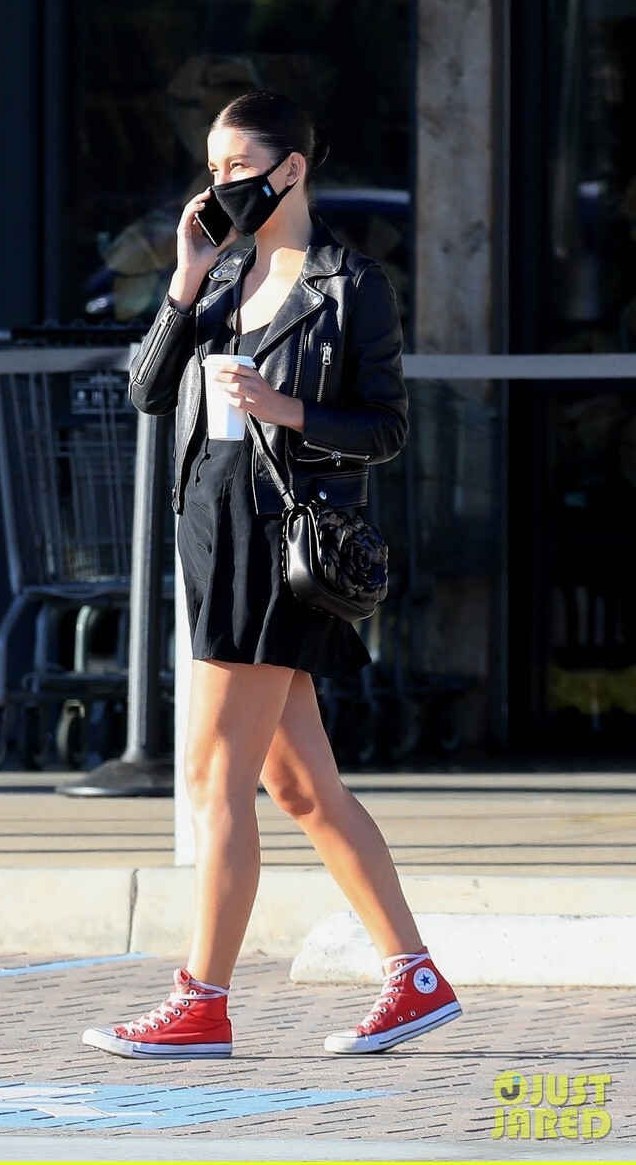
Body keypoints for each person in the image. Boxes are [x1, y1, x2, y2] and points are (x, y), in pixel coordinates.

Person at [83, 90, 461, 1060]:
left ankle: (200, 1001)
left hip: (277, 549)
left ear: (290, 169)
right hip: (209, 539)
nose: (219, 185)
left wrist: (283, 406)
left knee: (214, 777)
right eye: (211, 168)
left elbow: (384, 426)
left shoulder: (349, 284)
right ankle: (414, 977)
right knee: (300, 787)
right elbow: (147, 391)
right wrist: (183, 282)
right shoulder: (220, 273)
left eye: (237, 166)